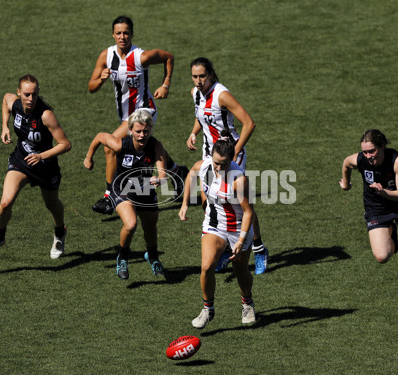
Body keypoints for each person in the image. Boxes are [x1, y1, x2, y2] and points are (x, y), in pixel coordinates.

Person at [88, 15, 187, 215]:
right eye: (118, 33)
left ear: (132, 34)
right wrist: (101, 80)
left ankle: (109, 196)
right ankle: (178, 172)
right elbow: (91, 87)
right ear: (113, 34)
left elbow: (168, 56)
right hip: (125, 114)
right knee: (147, 145)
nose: (122, 36)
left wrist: (166, 84)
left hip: (144, 110)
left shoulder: (141, 56)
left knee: (111, 147)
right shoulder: (106, 56)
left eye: (126, 33)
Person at [185, 57, 269, 275]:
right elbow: (201, 116)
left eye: (202, 76)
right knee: (208, 200)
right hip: (208, 155)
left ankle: (258, 248)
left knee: (241, 205)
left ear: (211, 74)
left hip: (230, 156)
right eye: (195, 76)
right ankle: (224, 247)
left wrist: (236, 151)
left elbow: (249, 123)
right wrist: (193, 133)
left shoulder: (221, 94)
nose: (198, 80)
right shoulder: (195, 94)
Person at [0, 74, 71, 261]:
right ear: (19, 93)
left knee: (52, 205)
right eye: (27, 94)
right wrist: (4, 126)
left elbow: (65, 144)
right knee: (5, 202)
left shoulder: (46, 115)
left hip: (45, 166)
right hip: (21, 160)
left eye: (35, 94)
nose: (31, 99)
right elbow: (6, 98)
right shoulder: (15, 104)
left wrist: (41, 156)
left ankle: (59, 232)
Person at [179, 134, 256, 328]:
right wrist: (185, 203)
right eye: (216, 162)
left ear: (231, 160)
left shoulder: (238, 180)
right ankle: (208, 309)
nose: (218, 168)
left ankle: (247, 302)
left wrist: (240, 241)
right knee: (206, 267)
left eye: (223, 164)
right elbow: (191, 174)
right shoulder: (205, 165)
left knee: (240, 270)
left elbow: (248, 212)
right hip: (214, 226)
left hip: (238, 229)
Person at [339, 129, 398, 300]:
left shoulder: (396, 160)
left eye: (372, 151)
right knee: (382, 256)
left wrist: (384, 192)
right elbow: (346, 163)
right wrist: (347, 183)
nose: (368, 155)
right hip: (376, 207)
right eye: (365, 152)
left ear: (382, 146)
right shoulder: (360, 159)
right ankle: (391, 234)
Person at [84, 109, 167, 280]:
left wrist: (158, 180)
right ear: (130, 131)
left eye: (146, 131)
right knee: (130, 224)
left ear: (151, 129)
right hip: (122, 189)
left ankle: (152, 257)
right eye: (138, 131)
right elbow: (100, 136)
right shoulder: (121, 144)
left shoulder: (156, 146)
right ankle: (122, 258)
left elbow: (163, 175)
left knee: (150, 228)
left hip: (144, 189)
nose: (142, 135)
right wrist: (89, 157)